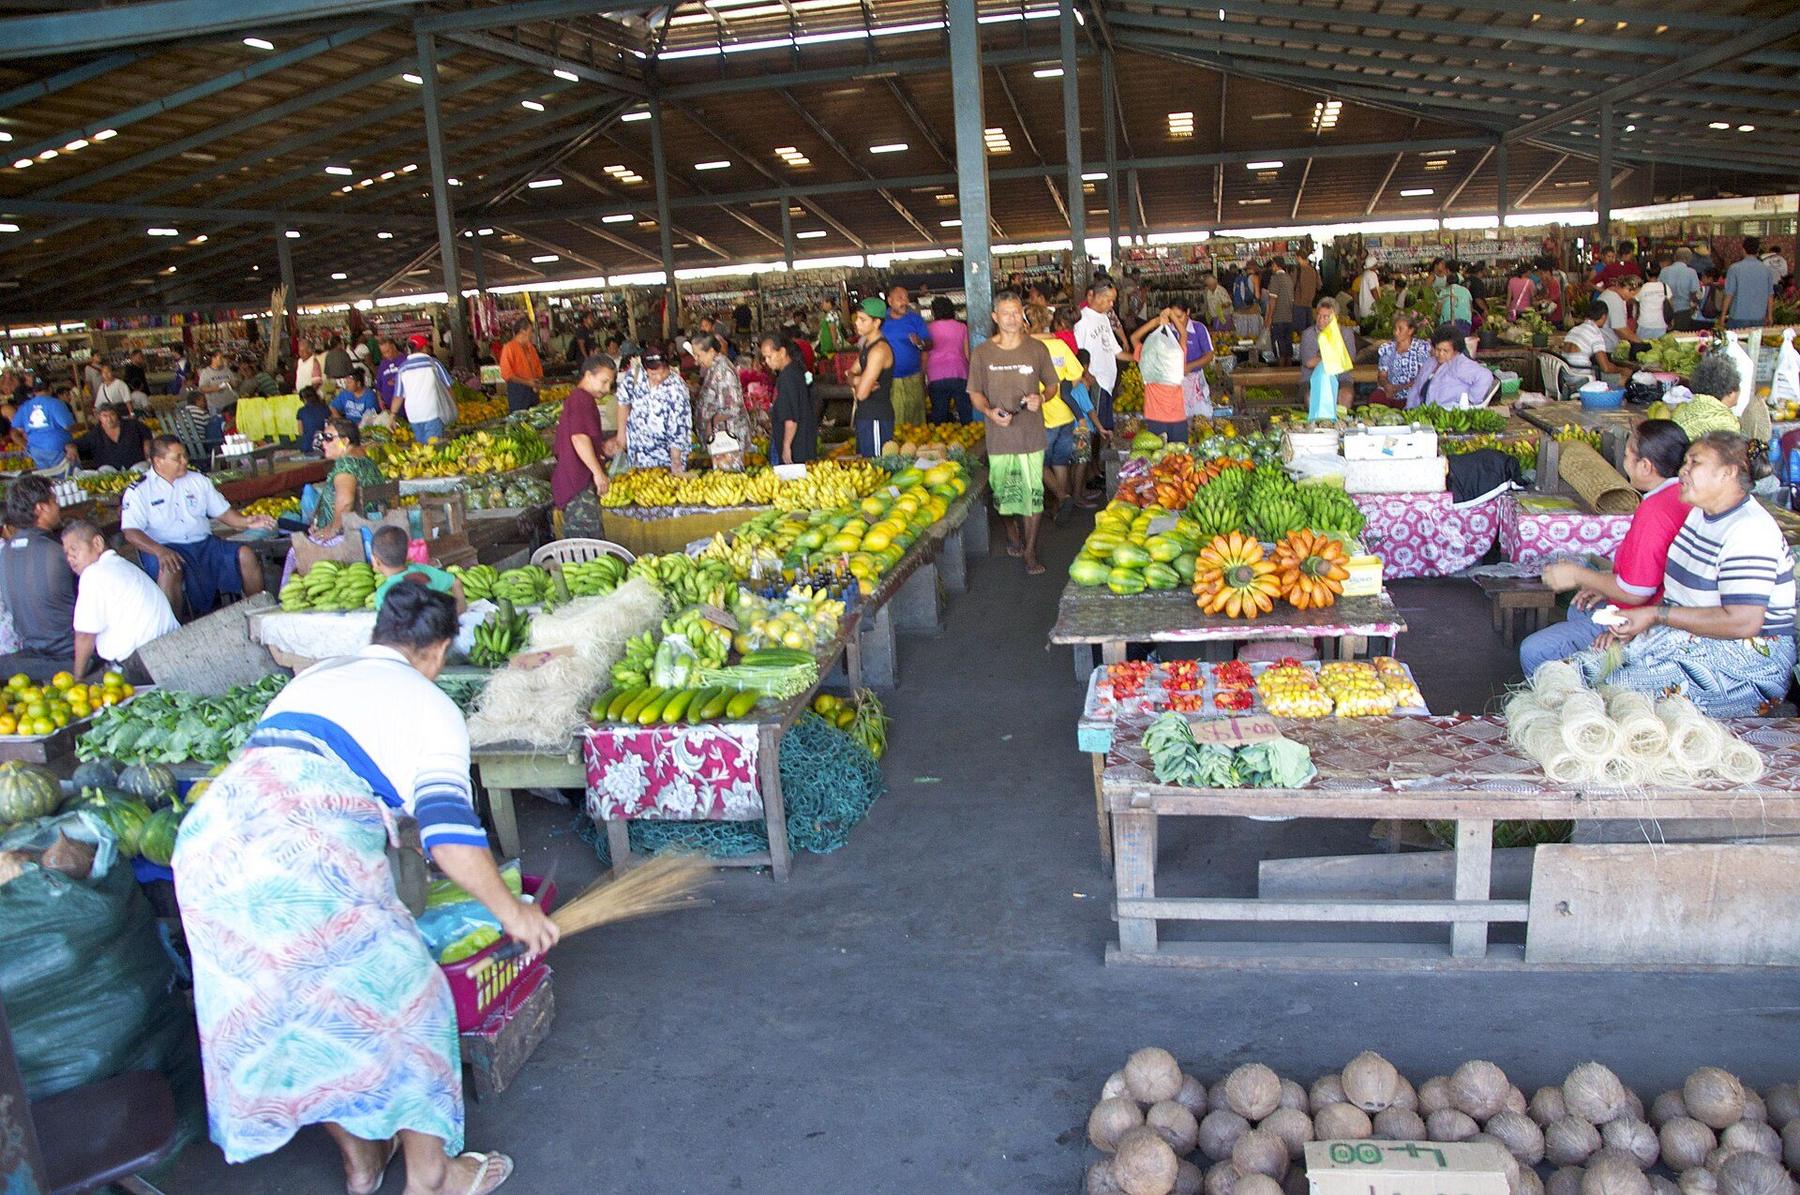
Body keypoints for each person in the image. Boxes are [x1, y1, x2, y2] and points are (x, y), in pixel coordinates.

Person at [172, 584, 548, 1195]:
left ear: (380, 634)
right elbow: (448, 836)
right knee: (416, 1001)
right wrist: (513, 913)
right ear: (439, 649)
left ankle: (363, 1161)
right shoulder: (432, 708)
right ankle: (433, 1177)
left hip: (209, 851)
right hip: (303, 861)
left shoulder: (315, 678)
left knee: (298, 1014)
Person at [1576, 432, 1796, 716]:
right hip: (1687, 639)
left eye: (1695, 463)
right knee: (1574, 672)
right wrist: (1639, 627)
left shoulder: (1749, 530)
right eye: (1685, 462)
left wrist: (1654, 616)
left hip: (1748, 662)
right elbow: (1679, 596)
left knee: (1609, 695)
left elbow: (1744, 622)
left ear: (1728, 473)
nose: (1683, 470)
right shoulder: (1699, 515)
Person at [1521, 420, 1691, 676]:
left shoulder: (1655, 511)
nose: (1624, 462)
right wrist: (1603, 583)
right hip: (1661, 606)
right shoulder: (1681, 494)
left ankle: (1567, 692)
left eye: (1627, 456)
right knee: (1580, 608)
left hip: (1647, 622)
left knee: (1534, 651)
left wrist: (1577, 575)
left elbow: (1635, 592)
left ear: (1645, 466)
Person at [121, 436, 275, 617]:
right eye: (177, 458)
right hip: (164, 547)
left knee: (246, 555)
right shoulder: (139, 490)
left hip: (204, 545)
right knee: (170, 568)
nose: (184, 461)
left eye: (184, 456)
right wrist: (160, 551)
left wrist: (247, 521)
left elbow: (224, 513)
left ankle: (258, 615)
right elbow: (130, 531)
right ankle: (174, 628)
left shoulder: (198, 480)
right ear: (158, 461)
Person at [968, 292, 1057, 575]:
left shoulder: (1037, 349)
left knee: (1033, 495)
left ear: (1023, 315)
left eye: (1017, 312)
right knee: (1004, 497)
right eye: (1005, 313)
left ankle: (1030, 551)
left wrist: (1041, 398)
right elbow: (975, 393)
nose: (1012, 318)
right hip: (999, 437)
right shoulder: (982, 352)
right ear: (995, 317)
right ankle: (1012, 531)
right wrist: (989, 411)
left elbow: (1053, 386)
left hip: (1030, 435)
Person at [59, 518, 177, 683]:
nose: (70, 558)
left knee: (82, 692)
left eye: (74, 549)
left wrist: (78, 678)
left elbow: (85, 635)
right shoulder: (122, 565)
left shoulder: (94, 574)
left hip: (142, 663)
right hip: (170, 649)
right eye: (66, 553)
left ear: (97, 543)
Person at [0, 476, 76, 682]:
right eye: (54, 501)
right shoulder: (57, 551)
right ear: (40, 508)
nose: (58, 507)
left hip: (31, 651)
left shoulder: (5, 551)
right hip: (69, 652)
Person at [551, 353, 615, 539]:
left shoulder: (580, 399)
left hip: (576, 482)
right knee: (586, 543)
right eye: (604, 382)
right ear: (588, 375)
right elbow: (579, 438)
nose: (607, 388)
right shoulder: (581, 399)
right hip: (577, 485)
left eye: (610, 383)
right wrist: (598, 473)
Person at [1033, 322, 1086, 521]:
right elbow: (1076, 376)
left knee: (1037, 462)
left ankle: (1062, 497)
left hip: (1045, 417)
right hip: (1066, 415)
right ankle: (1059, 508)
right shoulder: (1060, 345)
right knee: (1059, 463)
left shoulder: (1028, 348)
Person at [612, 349, 691, 472]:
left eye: (663, 372)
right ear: (645, 369)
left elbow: (680, 427)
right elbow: (623, 402)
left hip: (666, 455)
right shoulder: (634, 376)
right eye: (653, 374)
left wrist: (676, 459)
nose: (659, 377)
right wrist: (621, 435)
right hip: (638, 451)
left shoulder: (677, 387)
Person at [310, 418, 384, 542]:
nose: (323, 443)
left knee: (294, 550)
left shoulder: (346, 464)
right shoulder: (366, 460)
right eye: (323, 438)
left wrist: (333, 529)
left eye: (328, 438)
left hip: (351, 535)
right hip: (371, 529)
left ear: (345, 441)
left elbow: (346, 501)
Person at [1129, 305, 1191, 442]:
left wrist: (1155, 322)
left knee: (1157, 453)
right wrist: (1171, 315)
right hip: (1177, 416)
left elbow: (1134, 337)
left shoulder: (1147, 355)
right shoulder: (1176, 355)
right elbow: (1183, 334)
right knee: (1179, 453)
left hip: (1154, 416)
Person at [369, 525, 464, 612]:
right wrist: (459, 611)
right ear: (407, 554)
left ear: (376, 560)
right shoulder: (424, 571)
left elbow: (387, 623)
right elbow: (456, 582)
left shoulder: (382, 594)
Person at [846, 298, 896, 458]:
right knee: (865, 464)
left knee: (875, 465)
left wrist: (857, 382)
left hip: (876, 418)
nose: (857, 323)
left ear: (876, 322)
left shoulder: (879, 351)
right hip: (866, 416)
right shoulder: (868, 345)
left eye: (863, 320)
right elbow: (849, 374)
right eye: (857, 318)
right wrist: (857, 380)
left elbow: (861, 394)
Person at [1074, 281, 1129, 430]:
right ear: (1093, 296)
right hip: (1095, 381)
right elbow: (1077, 352)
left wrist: (1137, 357)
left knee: (1106, 427)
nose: (1111, 304)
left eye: (1113, 300)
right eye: (1108, 299)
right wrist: (1086, 374)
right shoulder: (1082, 320)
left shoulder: (1104, 318)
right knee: (1097, 428)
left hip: (1108, 381)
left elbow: (1116, 351)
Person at [691, 333, 748, 472]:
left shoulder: (723, 371)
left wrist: (711, 423)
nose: (696, 361)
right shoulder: (713, 368)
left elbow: (732, 408)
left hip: (727, 438)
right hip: (719, 439)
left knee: (728, 477)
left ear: (711, 351)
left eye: (698, 355)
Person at [762, 335, 816, 466]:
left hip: (796, 445)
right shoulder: (795, 371)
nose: (766, 361)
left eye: (769, 357)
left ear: (782, 352)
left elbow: (791, 419)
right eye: (764, 358)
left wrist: (786, 446)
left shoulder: (787, 378)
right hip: (804, 441)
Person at [1406, 328, 1495, 408]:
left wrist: (1470, 401)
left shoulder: (1460, 364)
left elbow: (1485, 376)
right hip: (1423, 412)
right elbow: (1415, 389)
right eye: (1438, 349)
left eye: (1445, 351)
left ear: (1455, 351)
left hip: (1449, 413)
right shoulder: (1430, 362)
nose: (1440, 354)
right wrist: (1409, 408)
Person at [881, 285, 929, 428]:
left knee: (917, 420)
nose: (905, 302)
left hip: (914, 377)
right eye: (900, 298)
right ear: (890, 301)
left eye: (906, 298)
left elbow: (930, 344)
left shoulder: (915, 320)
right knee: (896, 420)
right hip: (890, 379)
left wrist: (920, 342)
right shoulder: (881, 321)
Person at [1298, 299, 1360, 408]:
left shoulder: (1346, 333)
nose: (1320, 319)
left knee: (1346, 395)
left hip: (1341, 378)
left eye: (1325, 316)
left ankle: (1342, 419)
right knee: (1311, 397)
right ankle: (1316, 419)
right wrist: (1338, 356)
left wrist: (1321, 357)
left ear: (1335, 317)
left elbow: (1350, 360)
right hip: (1312, 379)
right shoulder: (1308, 334)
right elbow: (1310, 363)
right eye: (1318, 315)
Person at [396, 335, 453, 444]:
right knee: (434, 447)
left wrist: (392, 415)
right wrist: (452, 406)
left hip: (413, 415)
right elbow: (448, 386)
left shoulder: (403, 368)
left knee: (422, 447)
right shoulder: (433, 364)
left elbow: (398, 395)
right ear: (423, 348)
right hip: (432, 412)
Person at [924, 296, 970, 424]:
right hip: (959, 372)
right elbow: (967, 353)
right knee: (965, 411)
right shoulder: (962, 327)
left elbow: (925, 353)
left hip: (935, 374)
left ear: (934, 312)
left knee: (939, 413)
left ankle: (939, 435)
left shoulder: (928, 328)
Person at [1561, 300, 1627, 384]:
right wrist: (1622, 370)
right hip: (1582, 379)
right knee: (1624, 380)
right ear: (1604, 316)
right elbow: (1606, 368)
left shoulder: (1574, 330)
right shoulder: (1595, 333)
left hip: (1567, 376)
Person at [13, 377, 74, 468]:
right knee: (67, 475)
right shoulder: (56, 403)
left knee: (46, 476)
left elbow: (17, 430)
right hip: (56, 448)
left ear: (34, 391)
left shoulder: (25, 406)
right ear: (50, 388)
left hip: (36, 451)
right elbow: (68, 426)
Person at [67, 404, 150, 470]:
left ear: (117, 415)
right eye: (105, 416)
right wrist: (71, 448)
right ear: (99, 417)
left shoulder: (132, 425)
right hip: (110, 472)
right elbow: (75, 443)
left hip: (137, 466)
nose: (109, 419)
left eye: (112, 414)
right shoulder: (95, 434)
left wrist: (147, 443)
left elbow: (146, 432)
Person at [1375, 311, 1431, 403]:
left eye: (1400, 329)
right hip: (1389, 391)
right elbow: (1382, 375)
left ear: (1410, 331)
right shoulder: (1387, 348)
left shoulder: (1421, 348)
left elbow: (1423, 377)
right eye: (1395, 329)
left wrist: (1399, 388)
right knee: (1376, 397)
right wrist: (1386, 385)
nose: (1396, 332)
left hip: (1412, 393)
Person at [1722, 236, 1775, 330]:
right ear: (1758, 251)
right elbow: (1770, 295)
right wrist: (1770, 315)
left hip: (1738, 317)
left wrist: (1723, 316)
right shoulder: (1766, 270)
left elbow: (1729, 294)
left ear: (1743, 250)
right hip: (1759, 317)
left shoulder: (1734, 268)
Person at [497, 318, 543, 414]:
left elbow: (538, 369)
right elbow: (507, 375)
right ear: (523, 331)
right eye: (531, 331)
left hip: (533, 392)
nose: (532, 334)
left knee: (535, 418)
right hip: (518, 393)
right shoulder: (509, 348)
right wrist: (528, 382)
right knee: (520, 420)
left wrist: (537, 382)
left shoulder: (531, 348)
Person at [171, 387, 224, 464]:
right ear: (197, 401)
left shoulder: (181, 413)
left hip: (184, 446)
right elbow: (211, 429)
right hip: (200, 445)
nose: (205, 403)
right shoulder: (202, 413)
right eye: (203, 401)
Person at [1262, 257, 1297, 365]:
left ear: (1276, 265)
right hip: (1289, 317)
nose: (1272, 267)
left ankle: (1280, 371)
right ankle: (1289, 371)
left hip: (1278, 318)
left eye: (1273, 265)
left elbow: (1272, 301)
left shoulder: (1275, 279)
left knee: (1279, 349)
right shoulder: (1289, 278)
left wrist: (1269, 318)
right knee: (1288, 347)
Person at [1663, 248, 1702, 331]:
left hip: (1665, 311)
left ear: (1675, 257)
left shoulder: (1664, 271)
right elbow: (1696, 293)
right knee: (1682, 335)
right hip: (1684, 310)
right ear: (1689, 259)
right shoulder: (1691, 272)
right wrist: (1698, 301)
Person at [1635, 264, 1672, 342]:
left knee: (1643, 346)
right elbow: (1670, 304)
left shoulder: (1642, 288)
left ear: (1646, 274)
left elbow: (1636, 302)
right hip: (1661, 323)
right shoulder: (1665, 287)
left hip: (1644, 323)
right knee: (1658, 347)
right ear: (1659, 273)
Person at [198, 350, 237, 415]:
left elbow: (234, 383)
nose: (223, 360)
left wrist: (231, 384)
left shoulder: (227, 370)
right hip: (217, 406)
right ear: (213, 359)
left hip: (231, 403)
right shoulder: (206, 372)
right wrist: (218, 387)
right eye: (220, 358)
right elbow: (202, 388)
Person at [296, 386, 331, 454]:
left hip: (307, 446)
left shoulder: (301, 411)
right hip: (324, 446)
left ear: (304, 399)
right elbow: (330, 427)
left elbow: (300, 432)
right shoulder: (325, 409)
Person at [375, 337, 404, 411]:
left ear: (394, 346)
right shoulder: (383, 364)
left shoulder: (405, 360)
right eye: (383, 353)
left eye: (388, 351)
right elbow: (378, 386)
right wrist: (380, 400)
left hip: (405, 407)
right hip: (389, 408)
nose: (387, 355)